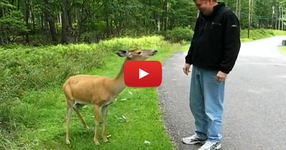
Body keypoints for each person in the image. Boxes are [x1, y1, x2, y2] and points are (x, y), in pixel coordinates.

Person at [181, 0, 241, 150]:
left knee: (212, 107)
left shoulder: (227, 16)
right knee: (195, 104)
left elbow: (233, 45)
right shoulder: (202, 16)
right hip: (198, 67)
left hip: (214, 71)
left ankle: (214, 140)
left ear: (209, 1)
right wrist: (188, 60)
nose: (197, 7)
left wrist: (225, 69)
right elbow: (195, 39)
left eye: (200, 4)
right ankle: (201, 134)